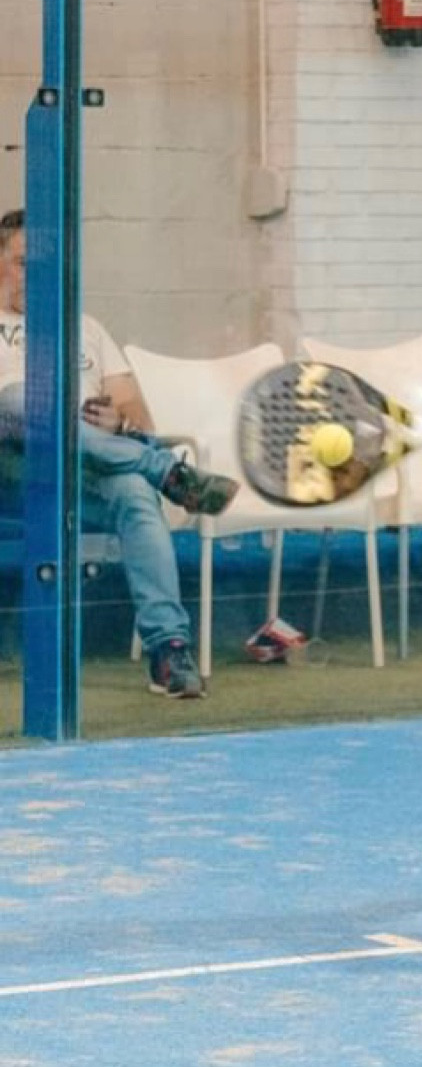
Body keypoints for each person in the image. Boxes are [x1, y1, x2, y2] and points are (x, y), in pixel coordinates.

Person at [0, 207, 239, 698]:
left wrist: (118, 423)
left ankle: (168, 648)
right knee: (24, 398)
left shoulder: (85, 328)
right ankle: (167, 471)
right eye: (24, 264)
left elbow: (137, 417)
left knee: (133, 490)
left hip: (86, 466)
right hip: (17, 469)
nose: (37, 277)